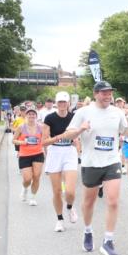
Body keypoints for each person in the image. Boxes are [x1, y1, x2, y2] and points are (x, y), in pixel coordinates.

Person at [55, 81, 128, 255]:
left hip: (112, 161)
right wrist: (80, 129)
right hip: (90, 162)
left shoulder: (117, 112)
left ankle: (108, 241)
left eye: (109, 93)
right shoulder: (83, 112)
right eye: (104, 93)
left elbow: (125, 133)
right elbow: (68, 135)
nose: (108, 96)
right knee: (89, 202)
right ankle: (88, 230)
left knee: (113, 201)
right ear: (96, 94)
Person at [42, 91, 81, 229]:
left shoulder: (74, 117)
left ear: (68, 103)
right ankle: (59, 219)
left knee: (70, 191)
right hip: (54, 152)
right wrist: (60, 137)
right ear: (56, 103)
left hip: (69, 152)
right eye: (60, 102)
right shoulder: (49, 118)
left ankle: (69, 207)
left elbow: (77, 136)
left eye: (64, 102)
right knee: (57, 191)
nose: (62, 104)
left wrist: (78, 148)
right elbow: (44, 142)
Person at [14, 107, 45, 205]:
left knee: (36, 176)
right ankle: (24, 188)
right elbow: (13, 140)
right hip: (25, 155)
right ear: (26, 115)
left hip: (38, 154)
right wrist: (23, 142)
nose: (31, 116)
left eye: (33, 114)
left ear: (36, 116)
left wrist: (46, 149)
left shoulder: (41, 127)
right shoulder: (21, 127)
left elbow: (45, 139)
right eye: (29, 114)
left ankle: (33, 198)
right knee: (27, 179)